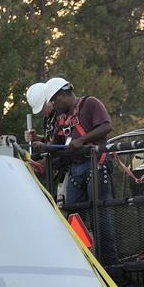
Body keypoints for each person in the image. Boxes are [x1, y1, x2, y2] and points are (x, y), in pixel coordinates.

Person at [24, 77, 113, 206]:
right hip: (75, 169)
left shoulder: (90, 103)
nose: (53, 104)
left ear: (63, 95)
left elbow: (106, 126)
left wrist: (82, 140)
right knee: (73, 212)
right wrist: (42, 147)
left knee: (99, 211)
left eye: (54, 100)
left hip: (95, 163)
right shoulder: (62, 118)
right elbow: (56, 145)